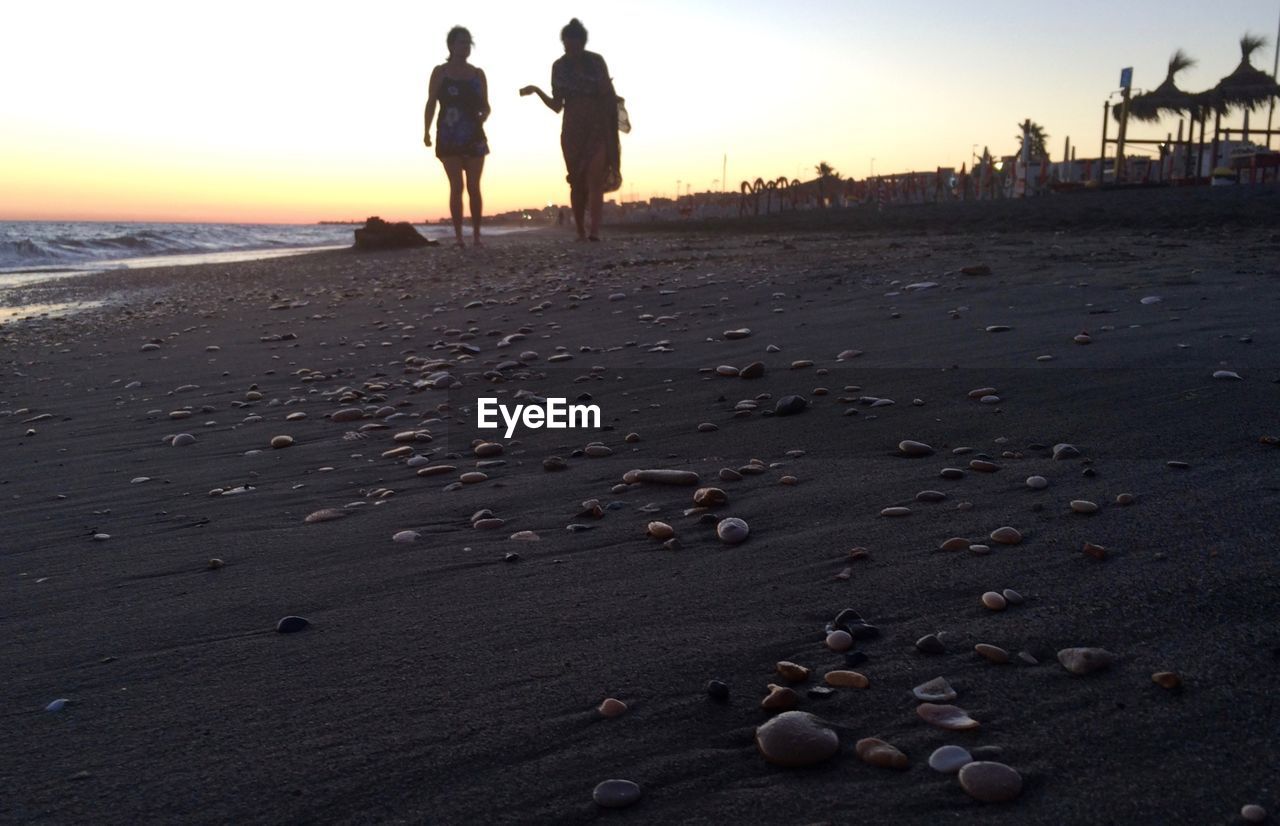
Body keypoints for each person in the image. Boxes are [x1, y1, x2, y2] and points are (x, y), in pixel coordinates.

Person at [520, 18, 621, 242]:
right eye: (566, 43)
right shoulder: (559, 66)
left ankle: (594, 231)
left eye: (573, 42)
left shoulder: (596, 61)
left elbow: (607, 92)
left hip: (596, 125)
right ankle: (580, 231)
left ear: (581, 42)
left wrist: (610, 121)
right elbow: (557, 105)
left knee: (595, 180)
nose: (569, 47)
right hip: (573, 128)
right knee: (576, 181)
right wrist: (536, 90)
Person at [423, 26, 490, 248]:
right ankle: (460, 237)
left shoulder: (478, 74)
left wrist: (483, 116)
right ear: (451, 45)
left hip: (474, 134)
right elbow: (431, 102)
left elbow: (486, 106)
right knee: (456, 186)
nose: (464, 46)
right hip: (449, 133)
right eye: (460, 42)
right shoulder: (440, 72)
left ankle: (477, 236)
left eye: (467, 43)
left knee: (474, 186)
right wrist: (426, 131)